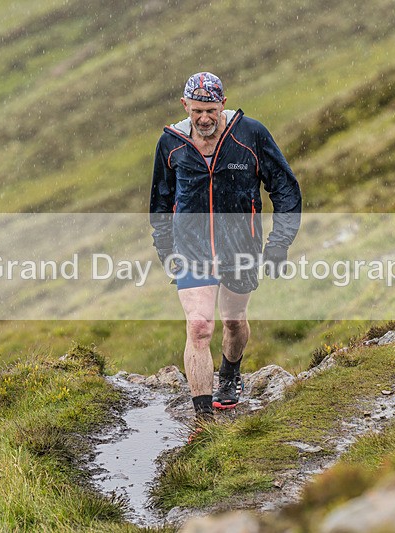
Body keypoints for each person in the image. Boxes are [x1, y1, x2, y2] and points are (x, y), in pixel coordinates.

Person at [149, 72, 301, 430]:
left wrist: (279, 243)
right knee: (199, 326)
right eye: (198, 110)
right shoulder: (171, 142)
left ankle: (230, 373)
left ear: (224, 104)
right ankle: (203, 421)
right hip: (192, 249)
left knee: (233, 322)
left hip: (241, 247)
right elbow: (160, 202)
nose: (205, 118)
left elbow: (285, 188)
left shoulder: (250, 135)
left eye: (212, 110)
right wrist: (166, 250)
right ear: (185, 106)